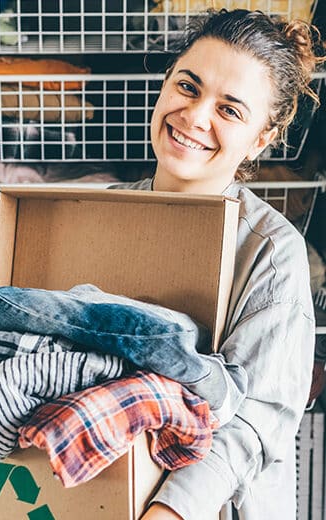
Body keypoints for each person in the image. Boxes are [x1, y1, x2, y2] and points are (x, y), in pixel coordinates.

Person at [111, 8, 324, 520]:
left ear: (260, 138)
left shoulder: (272, 253)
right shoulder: (99, 212)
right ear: (165, 83)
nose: (195, 116)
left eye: (229, 110)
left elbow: (252, 423)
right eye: (188, 86)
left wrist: (167, 512)